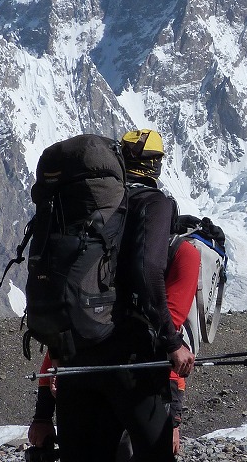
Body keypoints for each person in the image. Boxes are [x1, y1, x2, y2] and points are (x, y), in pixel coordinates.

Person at [53, 129, 195, 462]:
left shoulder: (87, 205)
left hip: (77, 356)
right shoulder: (153, 202)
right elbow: (147, 272)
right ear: (156, 164)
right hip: (129, 359)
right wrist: (172, 342)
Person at [29, 213, 203, 459]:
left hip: (95, 371)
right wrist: (172, 419)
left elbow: (68, 329)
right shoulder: (178, 253)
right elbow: (169, 336)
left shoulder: (97, 248)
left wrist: (43, 414)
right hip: (132, 375)